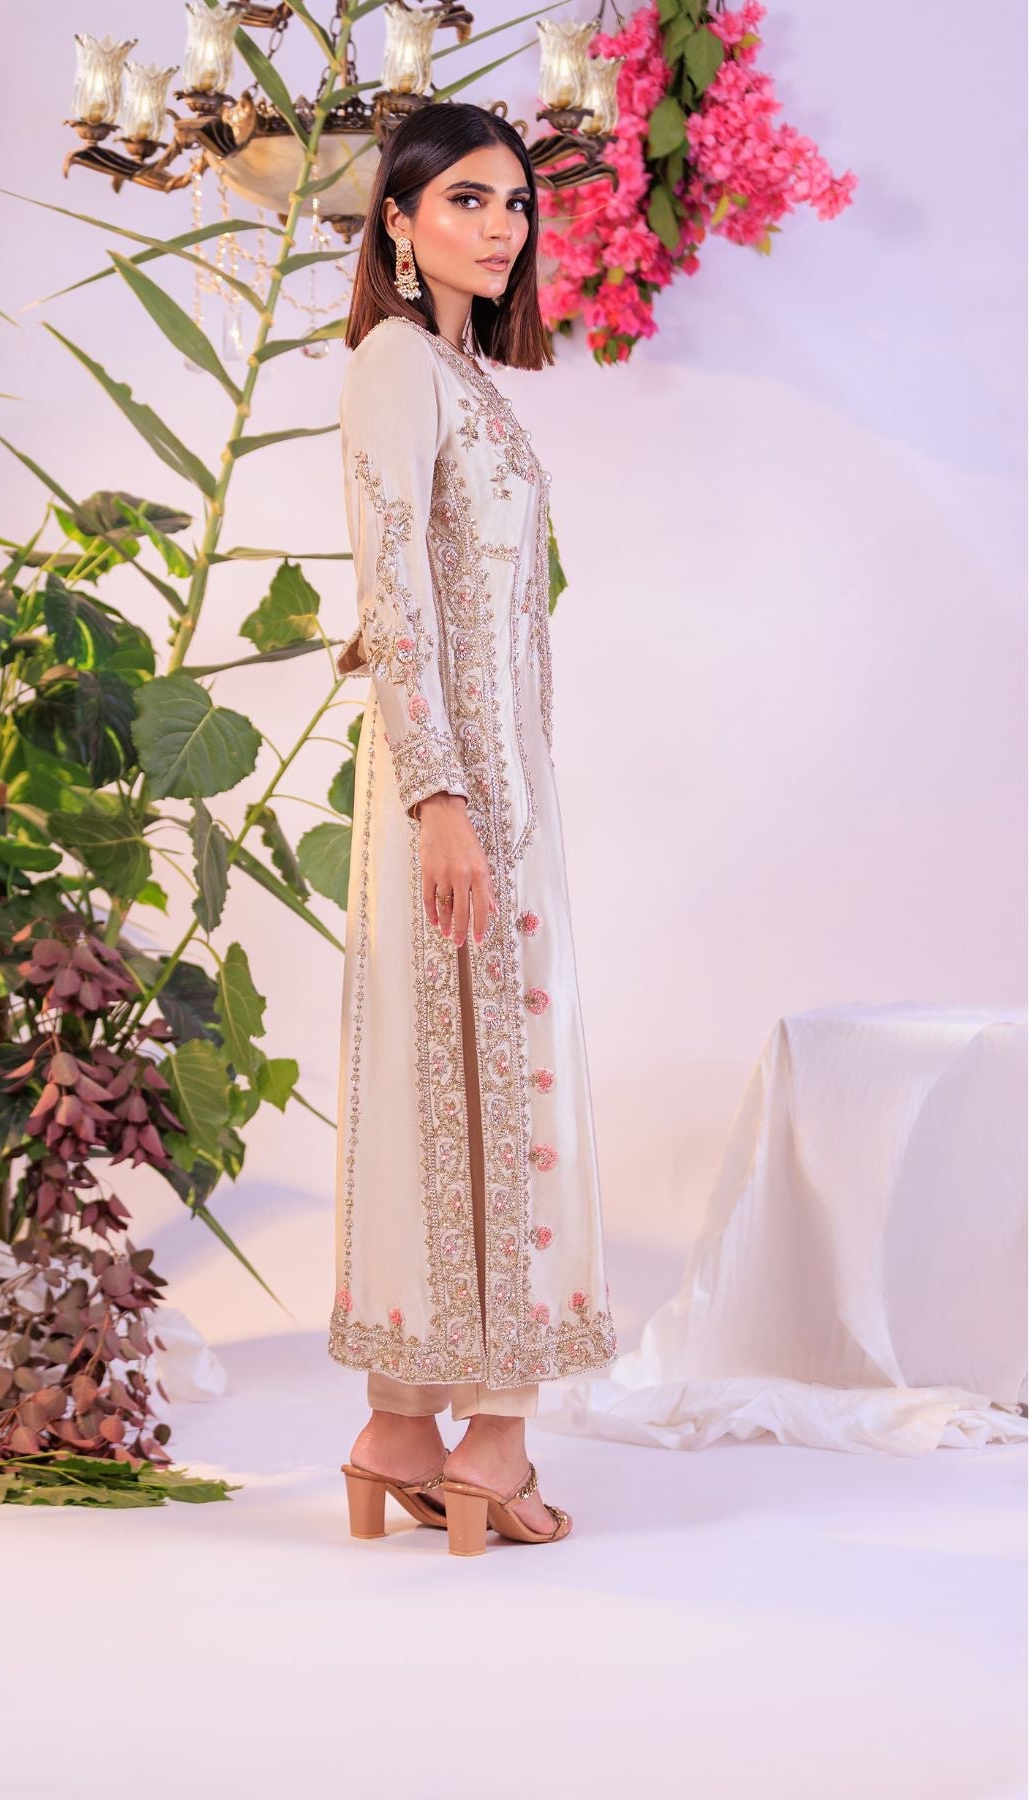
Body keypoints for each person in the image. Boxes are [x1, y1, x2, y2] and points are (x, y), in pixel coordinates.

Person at [329, 100, 616, 1556]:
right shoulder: (395, 361)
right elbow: (393, 589)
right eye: (467, 200)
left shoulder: (461, 374)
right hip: (452, 788)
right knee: (476, 1073)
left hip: (500, 783)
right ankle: (489, 1442)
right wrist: (441, 794)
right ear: (398, 218)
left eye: (515, 203)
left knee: (475, 1072)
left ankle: (402, 1431)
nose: (502, 226)